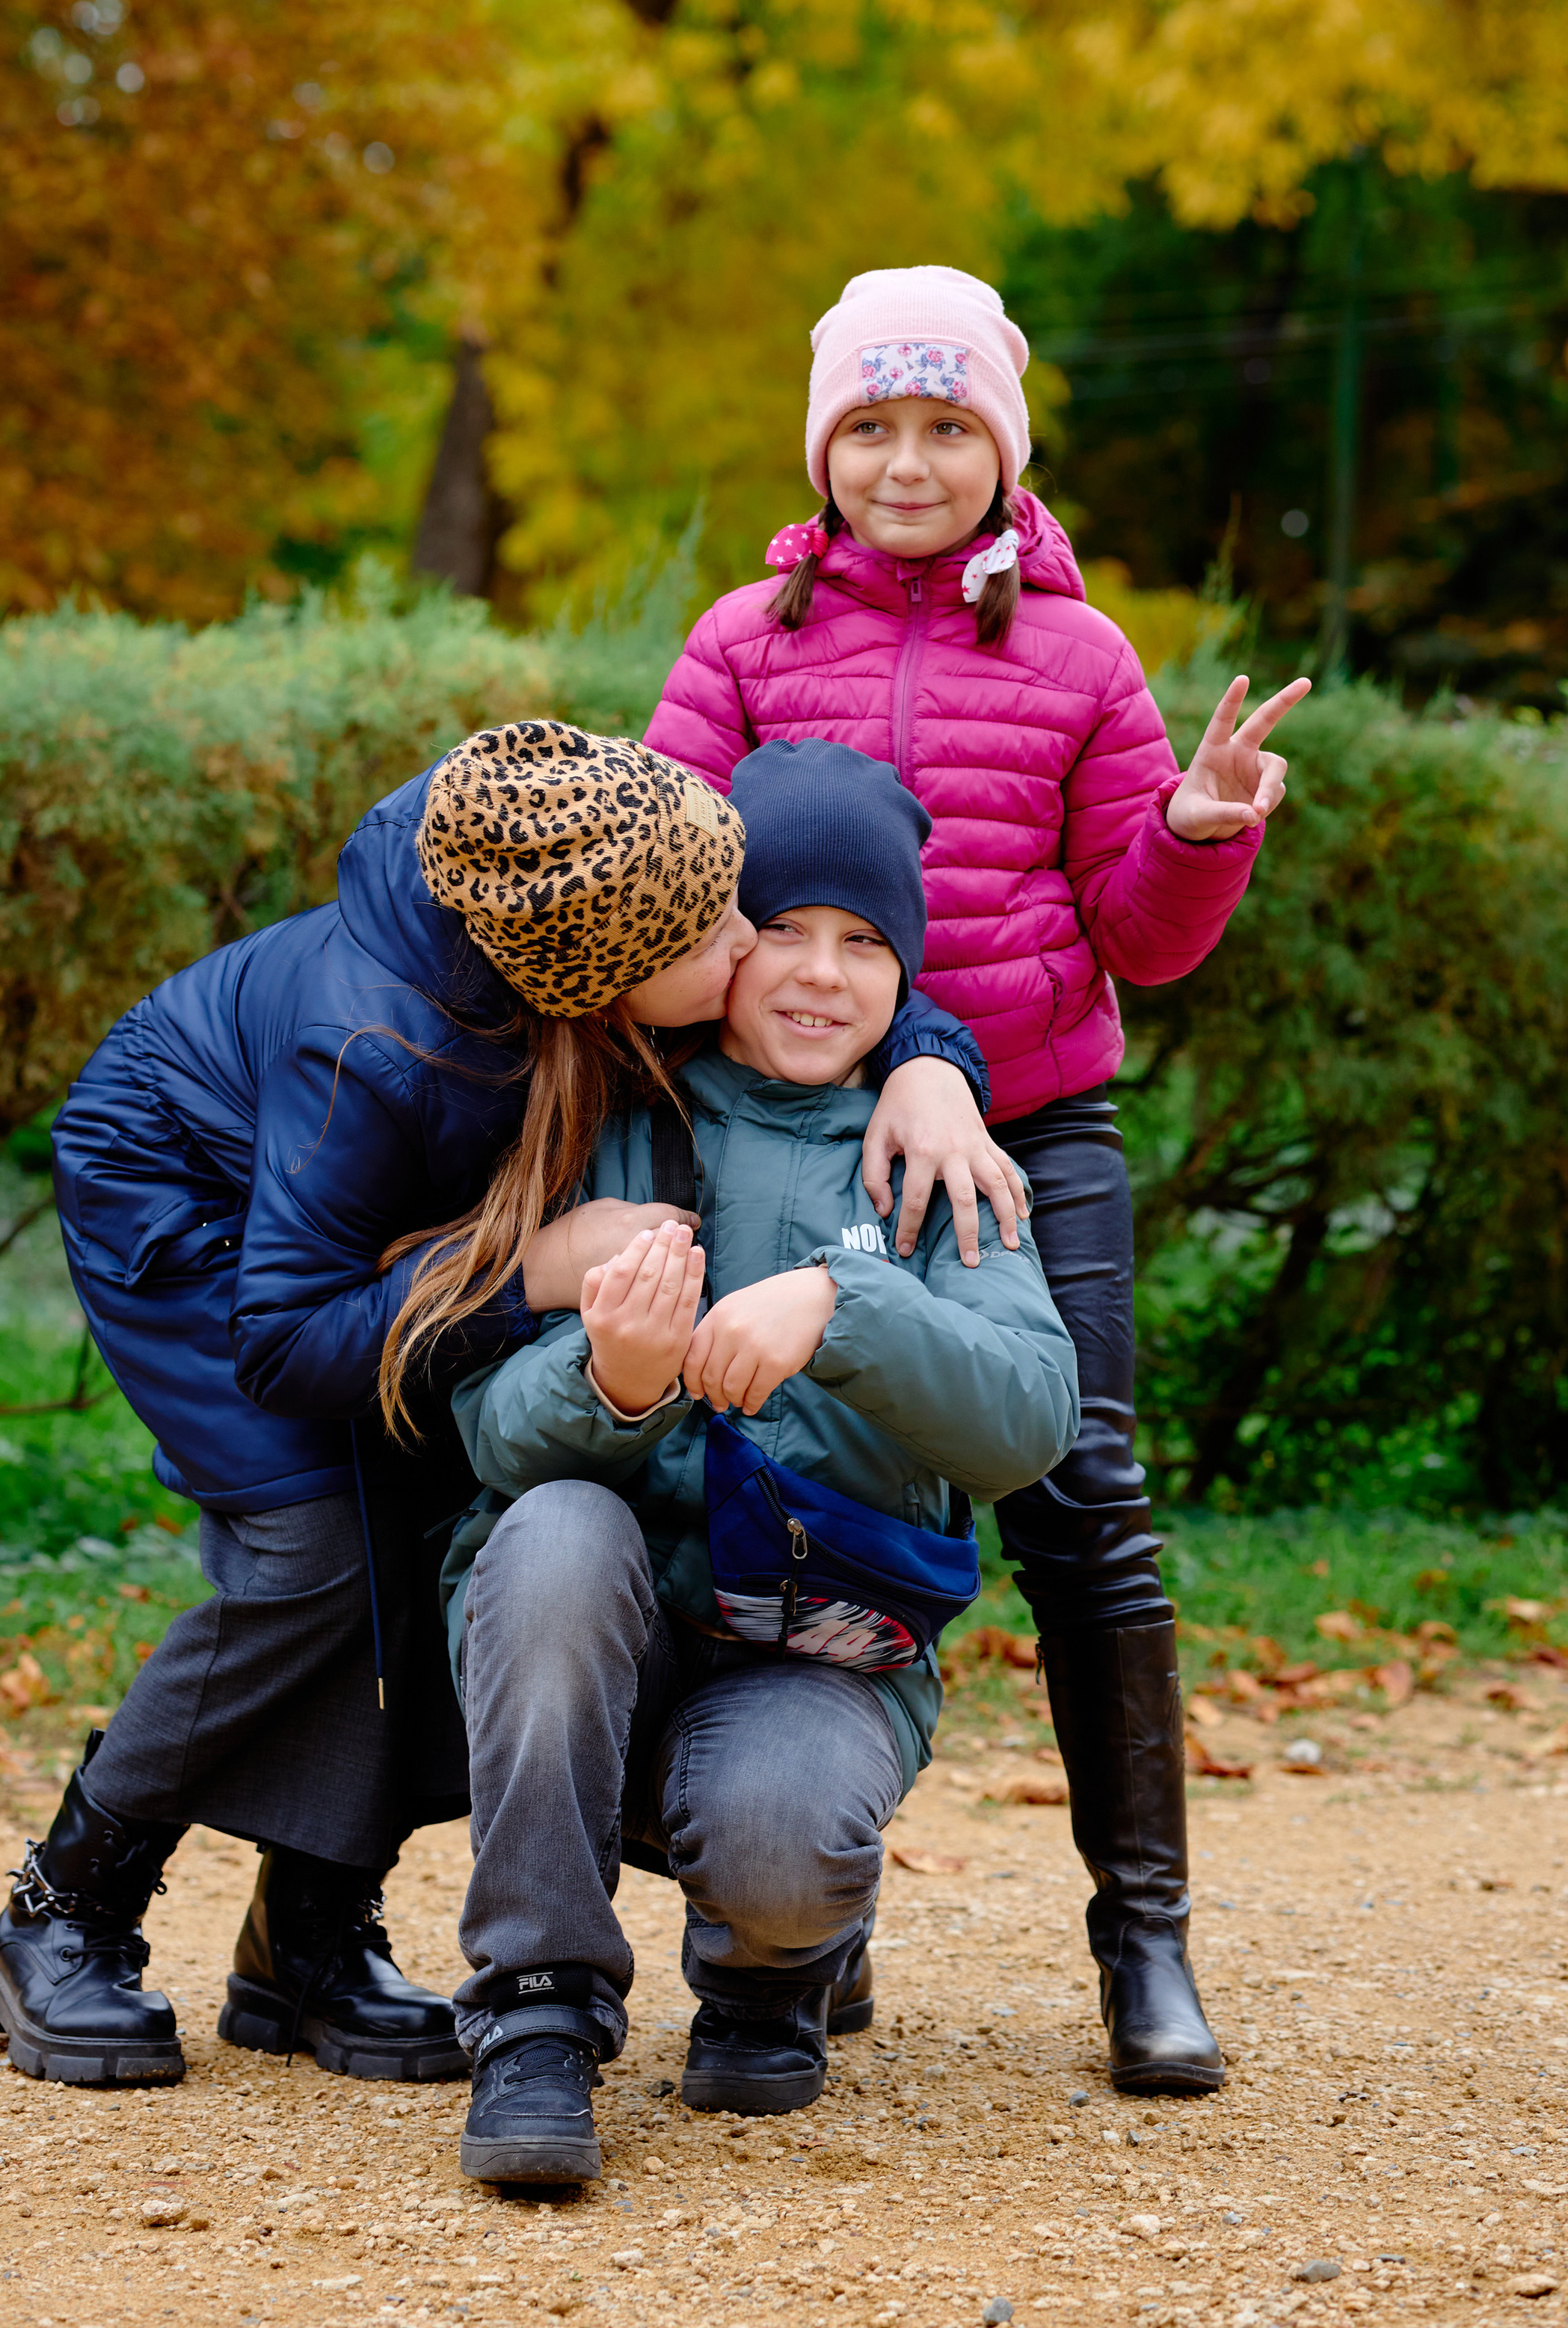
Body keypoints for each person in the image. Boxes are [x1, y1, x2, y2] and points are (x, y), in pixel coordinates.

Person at [0, 716, 1013, 2088]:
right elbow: (288, 1342)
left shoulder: (589, 859)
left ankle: (307, 1939)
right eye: (724, 938)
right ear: (610, 984)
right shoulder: (375, 1048)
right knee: (317, 1554)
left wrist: (930, 1057)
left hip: (360, 1230)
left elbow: (837, 929)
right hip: (191, 1203)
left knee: (426, 1511)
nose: (754, 954)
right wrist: (528, 1277)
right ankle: (61, 1911)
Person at [643, 266, 1309, 2096]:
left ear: (1001, 454)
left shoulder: (1080, 660)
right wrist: (907, 1049)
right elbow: (673, 908)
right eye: (871, 425)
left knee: (1080, 1501)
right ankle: (801, 1905)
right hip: (787, 1131)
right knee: (772, 1464)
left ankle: (1143, 1944)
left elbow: (1135, 939)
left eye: (946, 428)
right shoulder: (741, 643)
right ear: (823, 447)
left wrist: (1192, 837)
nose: (906, 462)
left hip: (1032, 1136)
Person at [440, 738, 1082, 2185]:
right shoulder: (608, 1123)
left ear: (908, 976)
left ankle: (770, 1967)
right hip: (598, 1636)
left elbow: (1034, 1418)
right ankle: (536, 2009)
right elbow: (482, 1427)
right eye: (783, 928)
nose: (819, 975)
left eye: (866, 944)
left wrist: (850, 1306)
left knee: (785, 1845)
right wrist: (613, 1378)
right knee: (552, 1532)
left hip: (818, 1651)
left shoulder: (938, 1162)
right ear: (719, 941)